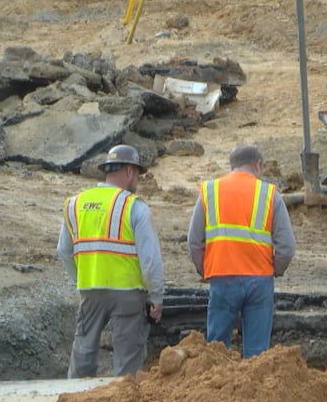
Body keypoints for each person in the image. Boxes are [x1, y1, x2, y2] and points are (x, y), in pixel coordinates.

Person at [58, 144, 164, 378]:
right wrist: (156, 296)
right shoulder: (134, 206)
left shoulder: (75, 203)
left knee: (83, 351)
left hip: (90, 292)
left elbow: (64, 251)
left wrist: (82, 280)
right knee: (128, 363)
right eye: (137, 174)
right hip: (128, 294)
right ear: (129, 172)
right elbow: (150, 260)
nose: (137, 180)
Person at [187, 144, 295, 358]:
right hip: (259, 279)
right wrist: (275, 270)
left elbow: (194, 242)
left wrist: (205, 270)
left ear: (232, 166)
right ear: (258, 165)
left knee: (217, 351)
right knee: (256, 355)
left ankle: (216, 389)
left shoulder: (210, 191)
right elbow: (287, 246)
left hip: (222, 275)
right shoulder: (270, 193)